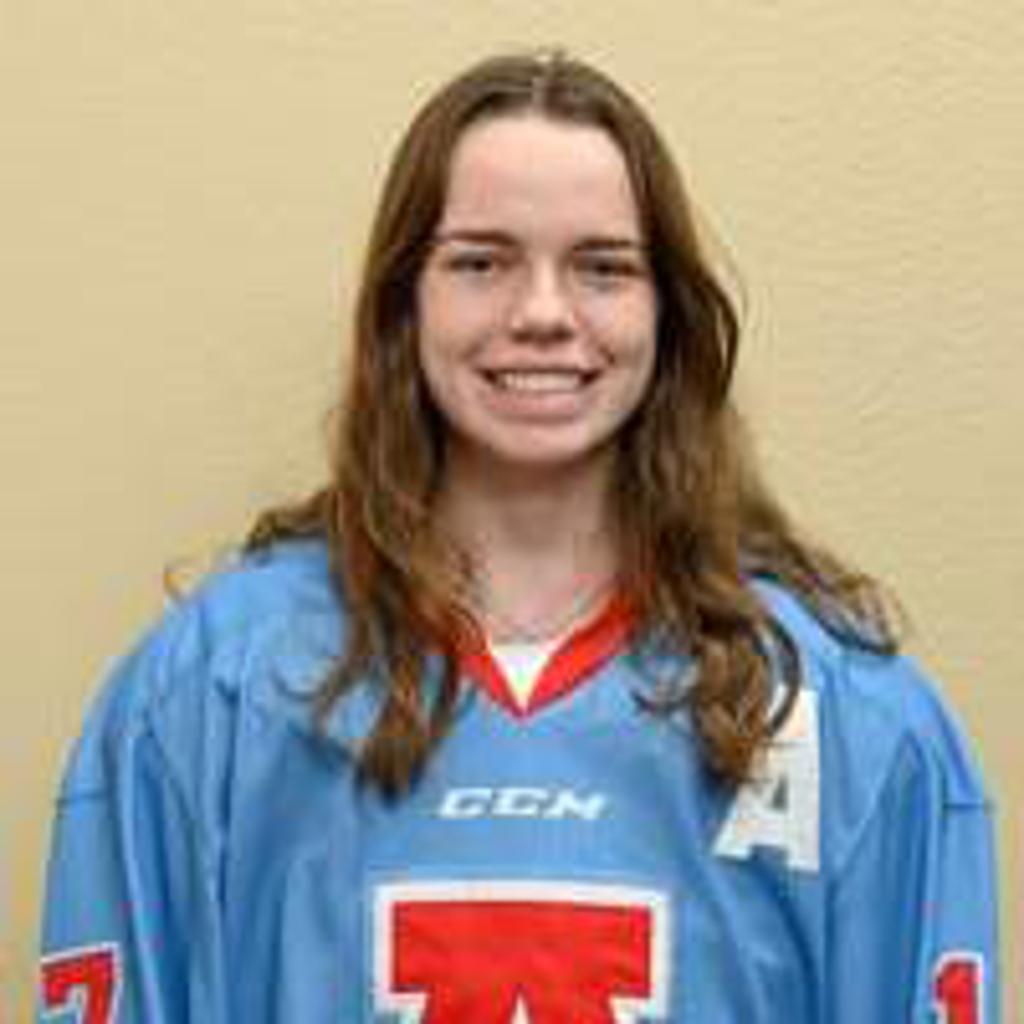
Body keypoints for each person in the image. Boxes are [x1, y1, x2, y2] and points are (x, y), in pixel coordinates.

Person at [38, 51, 999, 1022]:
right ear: (404, 303)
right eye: (481, 263)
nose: (542, 314)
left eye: (603, 268)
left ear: (667, 313)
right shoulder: (212, 691)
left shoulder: (843, 713)